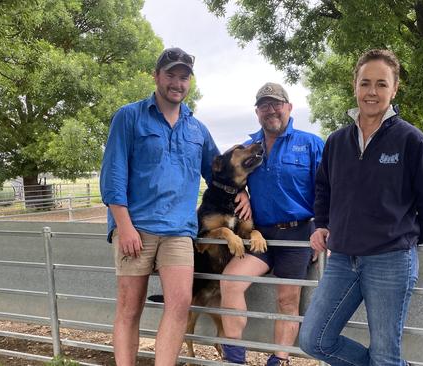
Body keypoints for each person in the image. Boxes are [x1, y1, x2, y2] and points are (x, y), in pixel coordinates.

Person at [99, 47, 250, 366]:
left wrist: (244, 193)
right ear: (156, 76)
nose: (177, 83)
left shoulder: (197, 129)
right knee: (129, 308)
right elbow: (112, 175)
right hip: (136, 227)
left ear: (189, 82)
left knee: (180, 305)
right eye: (171, 75)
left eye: (184, 77)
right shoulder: (129, 116)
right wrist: (123, 226)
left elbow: (220, 171)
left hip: (180, 232)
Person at [299, 49, 423, 366]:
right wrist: (322, 223)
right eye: (365, 82)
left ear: (394, 89)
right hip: (342, 258)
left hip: (391, 260)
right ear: (355, 85)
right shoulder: (337, 141)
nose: (372, 91)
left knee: (384, 352)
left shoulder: (412, 140)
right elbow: (324, 186)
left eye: (381, 84)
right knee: (314, 339)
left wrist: (410, 237)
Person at [220, 82, 325, 365]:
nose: (271, 110)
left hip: (298, 234)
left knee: (287, 302)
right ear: (257, 112)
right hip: (261, 235)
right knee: (230, 282)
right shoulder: (248, 147)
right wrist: (239, 191)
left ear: (289, 107)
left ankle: (279, 360)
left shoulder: (312, 144)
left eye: (277, 104)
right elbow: (225, 179)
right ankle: (234, 357)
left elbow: (330, 190)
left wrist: (320, 229)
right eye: (264, 105)